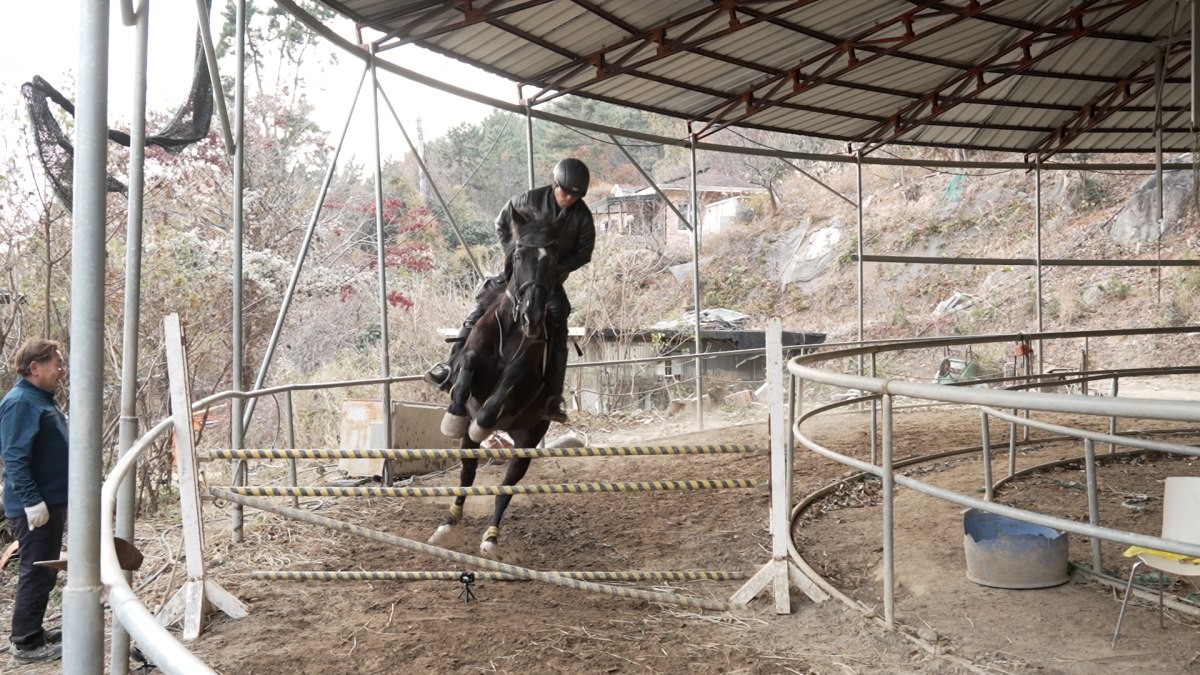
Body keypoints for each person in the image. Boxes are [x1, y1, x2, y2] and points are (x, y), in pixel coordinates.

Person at [426, 158, 596, 422]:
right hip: (518, 273)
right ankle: (450, 367)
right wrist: (515, 254)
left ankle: (552, 395)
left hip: (549, 281)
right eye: (566, 192)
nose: (570, 199)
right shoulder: (527, 200)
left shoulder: (582, 217)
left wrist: (553, 267)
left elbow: (584, 253)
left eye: (576, 195)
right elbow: (501, 223)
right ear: (555, 184)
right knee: (484, 299)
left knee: (560, 316)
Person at [1, 339, 68, 665]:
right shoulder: (21, 403)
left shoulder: (40, 400)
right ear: (34, 368)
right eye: (56, 362)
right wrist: (31, 501)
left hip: (51, 501)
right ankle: (26, 644)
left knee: (44, 572)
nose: (61, 369)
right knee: (35, 571)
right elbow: (13, 456)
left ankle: (34, 631)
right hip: (36, 506)